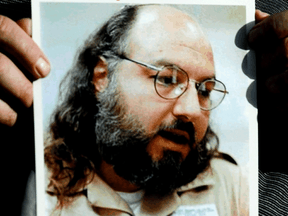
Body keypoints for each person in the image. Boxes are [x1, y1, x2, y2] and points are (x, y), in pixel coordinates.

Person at [0, 1, 287, 216]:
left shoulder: (231, 185)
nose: (192, 110)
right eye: (167, 79)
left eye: (204, 90)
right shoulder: (45, 184)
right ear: (102, 76)